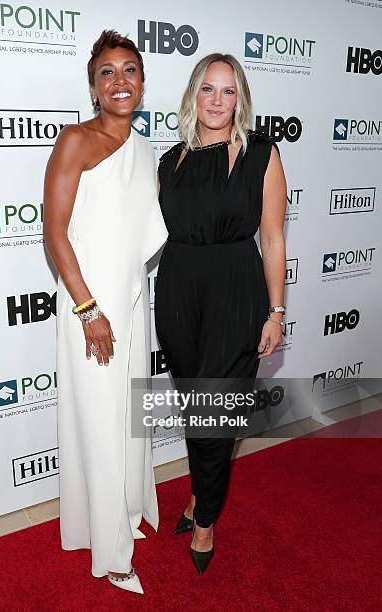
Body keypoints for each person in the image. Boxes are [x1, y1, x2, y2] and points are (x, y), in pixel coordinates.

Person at [43, 30, 167, 594]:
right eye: (107, 73)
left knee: (129, 419)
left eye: (130, 70)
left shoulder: (147, 153)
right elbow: (54, 230)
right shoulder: (75, 140)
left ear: (142, 82)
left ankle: (123, 512)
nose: (120, 81)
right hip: (88, 305)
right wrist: (90, 309)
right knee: (99, 418)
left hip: (134, 301)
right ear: (93, 89)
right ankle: (110, 552)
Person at [154, 53, 287, 575]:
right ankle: (196, 497)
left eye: (227, 91)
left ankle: (204, 516)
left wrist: (276, 311)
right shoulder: (171, 161)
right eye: (207, 89)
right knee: (197, 408)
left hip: (236, 290)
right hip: (180, 293)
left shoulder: (261, 155)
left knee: (218, 413)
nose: (216, 100)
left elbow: (273, 238)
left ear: (240, 99)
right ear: (193, 95)